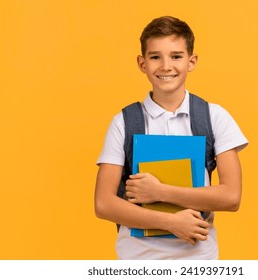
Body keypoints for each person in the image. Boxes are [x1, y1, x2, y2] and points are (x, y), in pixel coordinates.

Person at [94, 16, 248, 259]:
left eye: (176, 56)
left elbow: (231, 197)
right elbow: (103, 203)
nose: (166, 66)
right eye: (155, 57)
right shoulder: (124, 122)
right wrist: (170, 222)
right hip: (136, 259)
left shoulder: (214, 117)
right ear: (142, 63)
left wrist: (159, 192)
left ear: (191, 61)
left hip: (198, 260)